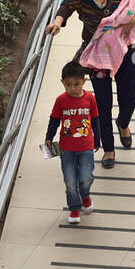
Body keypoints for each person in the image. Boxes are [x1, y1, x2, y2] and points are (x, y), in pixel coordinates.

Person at [46, 0, 135, 168]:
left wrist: (131, 23)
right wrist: (57, 23)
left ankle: (123, 123)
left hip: (125, 50)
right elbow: (66, 6)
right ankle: (108, 149)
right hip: (96, 53)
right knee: (102, 104)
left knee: (128, 98)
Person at [45, 61, 100, 224]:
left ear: (84, 81)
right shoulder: (61, 100)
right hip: (66, 149)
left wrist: (97, 140)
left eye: (76, 84)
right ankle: (75, 209)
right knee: (70, 181)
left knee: (86, 178)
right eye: (68, 85)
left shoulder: (90, 99)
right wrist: (49, 137)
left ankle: (85, 195)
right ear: (63, 83)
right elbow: (54, 121)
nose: (73, 88)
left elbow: (96, 120)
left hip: (86, 147)